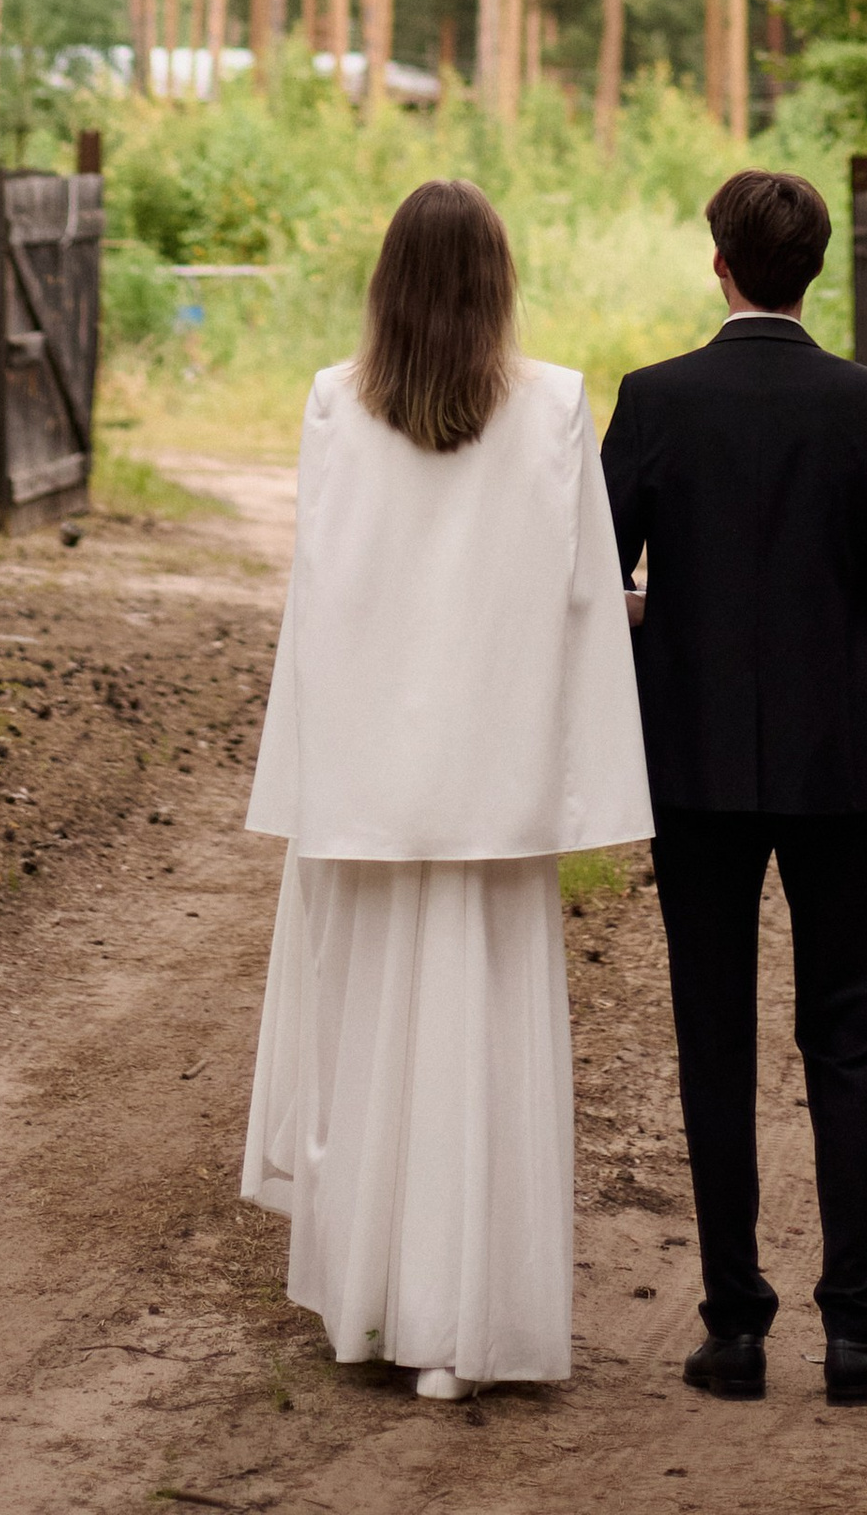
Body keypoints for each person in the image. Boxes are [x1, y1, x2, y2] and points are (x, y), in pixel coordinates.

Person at [241, 178, 651, 1399]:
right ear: (498, 283)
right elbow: (584, 602)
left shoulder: (329, 404)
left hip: (370, 782)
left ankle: (367, 1313)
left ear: (388, 282)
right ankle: (458, 1327)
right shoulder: (558, 407)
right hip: (492, 782)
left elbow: (322, 603)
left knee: (369, 1043)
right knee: (475, 1048)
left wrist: (319, 770)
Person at [601, 166, 867, 1409]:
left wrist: (657, 614)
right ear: (813, 269)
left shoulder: (655, 401)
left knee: (714, 1038)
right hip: (843, 768)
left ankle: (734, 1331)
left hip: (691, 772)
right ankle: (857, 1333)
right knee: (846, 1040)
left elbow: (593, 584)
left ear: (719, 262)